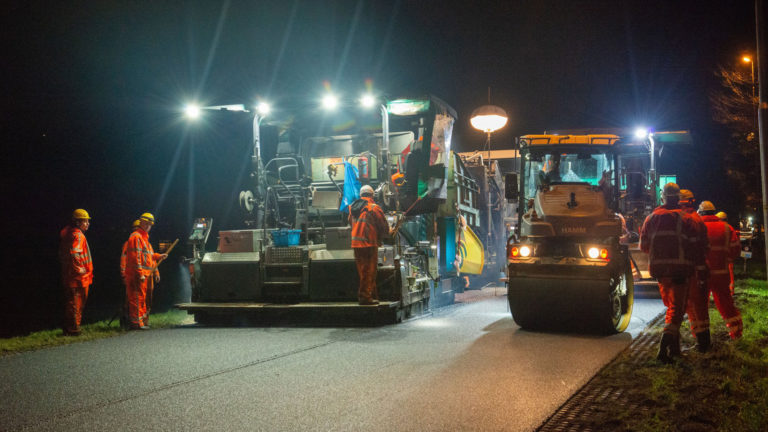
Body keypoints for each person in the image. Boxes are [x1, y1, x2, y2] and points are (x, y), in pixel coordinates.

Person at [640, 183, 699, 363]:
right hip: (680, 271)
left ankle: (674, 350)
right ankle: (663, 348)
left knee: (671, 309)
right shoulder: (686, 218)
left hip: (660, 272)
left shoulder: (650, 218)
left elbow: (643, 246)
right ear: (678, 198)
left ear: (662, 197)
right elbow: (694, 245)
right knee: (677, 310)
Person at [699, 202, 743, 339]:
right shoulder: (726, 227)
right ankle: (736, 333)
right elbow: (736, 249)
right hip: (721, 273)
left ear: (701, 213)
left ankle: (701, 338)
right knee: (726, 304)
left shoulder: (697, 226)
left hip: (701, 274)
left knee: (700, 306)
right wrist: (724, 259)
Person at [679, 189, 711, 352]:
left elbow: (692, 247)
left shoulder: (688, 220)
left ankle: (703, 343)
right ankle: (703, 340)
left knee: (695, 306)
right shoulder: (696, 219)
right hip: (699, 267)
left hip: (692, 269)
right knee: (698, 307)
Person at [349, 185, 390, 305]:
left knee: (363, 271)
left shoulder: (353, 207)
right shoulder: (373, 207)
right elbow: (383, 225)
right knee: (370, 271)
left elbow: (350, 222)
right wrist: (386, 233)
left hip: (356, 243)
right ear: (372, 195)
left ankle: (372, 295)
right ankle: (365, 297)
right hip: (369, 243)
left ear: (361, 195)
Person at [124, 213, 167, 329]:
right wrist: (140, 273)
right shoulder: (136, 237)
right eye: (146, 223)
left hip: (145, 275)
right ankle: (136, 323)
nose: (148, 226)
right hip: (138, 275)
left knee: (142, 299)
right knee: (137, 299)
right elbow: (135, 257)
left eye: (150, 224)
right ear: (141, 222)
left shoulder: (144, 239)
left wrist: (159, 256)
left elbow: (149, 256)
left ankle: (141, 322)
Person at [59, 209, 94, 336]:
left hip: (68, 275)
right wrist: (80, 269)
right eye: (85, 221)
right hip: (78, 277)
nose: (88, 224)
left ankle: (70, 327)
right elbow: (75, 252)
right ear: (78, 222)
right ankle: (74, 329)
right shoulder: (78, 235)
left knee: (71, 302)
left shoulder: (67, 234)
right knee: (77, 303)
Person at [119, 220, 141, 328]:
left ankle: (136, 321)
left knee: (136, 300)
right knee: (129, 300)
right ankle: (127, 321)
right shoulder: (128, 243)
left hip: (138, 276)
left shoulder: (142, 242)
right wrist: (123, 275)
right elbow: (124, 259)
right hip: (130, 276)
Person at [716, 211, 737, 294]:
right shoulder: (730, 228)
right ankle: (730, 289)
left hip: (722, 256)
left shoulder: (720, 228)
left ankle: (725, 290)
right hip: (728, 256)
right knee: (729, 272)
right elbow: (735, 244)